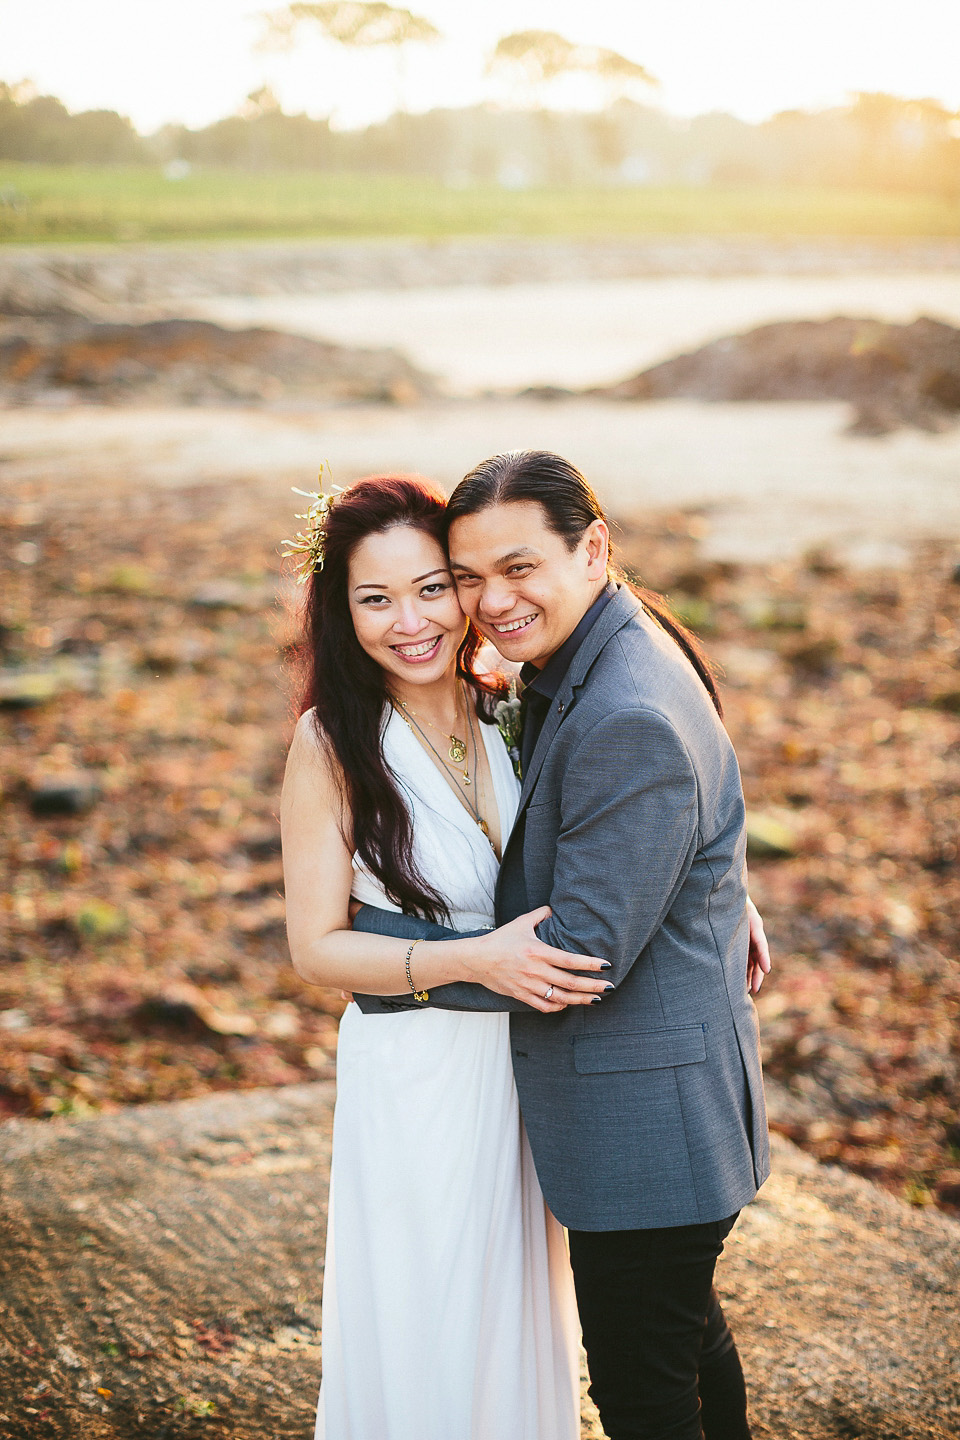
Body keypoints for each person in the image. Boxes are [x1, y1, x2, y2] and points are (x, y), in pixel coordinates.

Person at [352, 451, 771, 1440]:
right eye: (470, 577)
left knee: (642, 1387)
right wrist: (715, 891)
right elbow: (664, 817)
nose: (492, 601)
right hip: (675, 1103)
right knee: (686, 1339)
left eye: (520, 568)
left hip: (646, 1124)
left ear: (593, 547)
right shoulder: (602, 649)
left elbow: (578, 952)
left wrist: (384, 958)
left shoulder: (623, 706)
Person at [280, 473, 614, 1440]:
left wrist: (722, 890)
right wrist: (477, 961)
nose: (410, 622)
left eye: (433, 587)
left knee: (513, 1314)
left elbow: (615, 810)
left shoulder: (508, 703)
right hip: (417, 1075)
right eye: (374, 599)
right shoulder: (333, 743)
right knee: (428, 1320)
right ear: (341, 613)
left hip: (523, 1073)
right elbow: (317, 947)